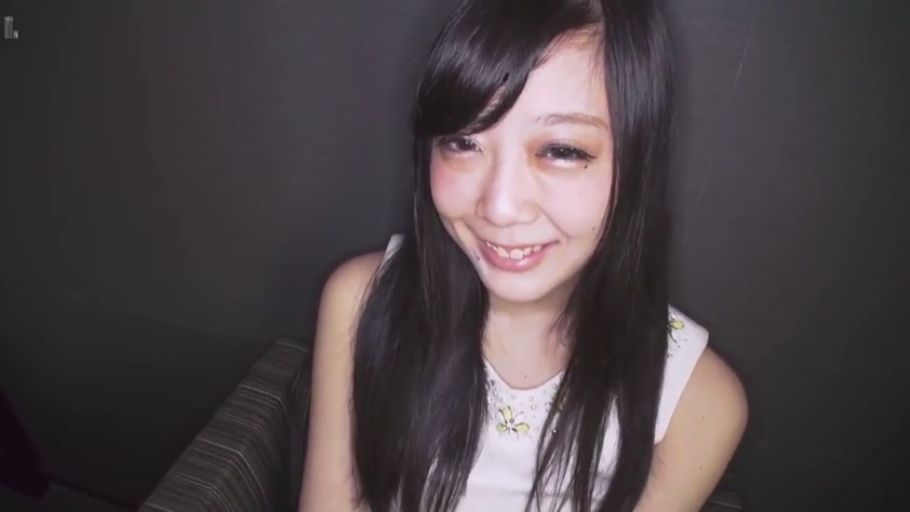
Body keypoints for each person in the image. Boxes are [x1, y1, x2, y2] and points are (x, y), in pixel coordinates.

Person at [299, 0, 748, 510]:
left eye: (561, 150)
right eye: (463, 142)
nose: (500, 206)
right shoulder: (360, 301)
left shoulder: (698, 399)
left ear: (637, 160)